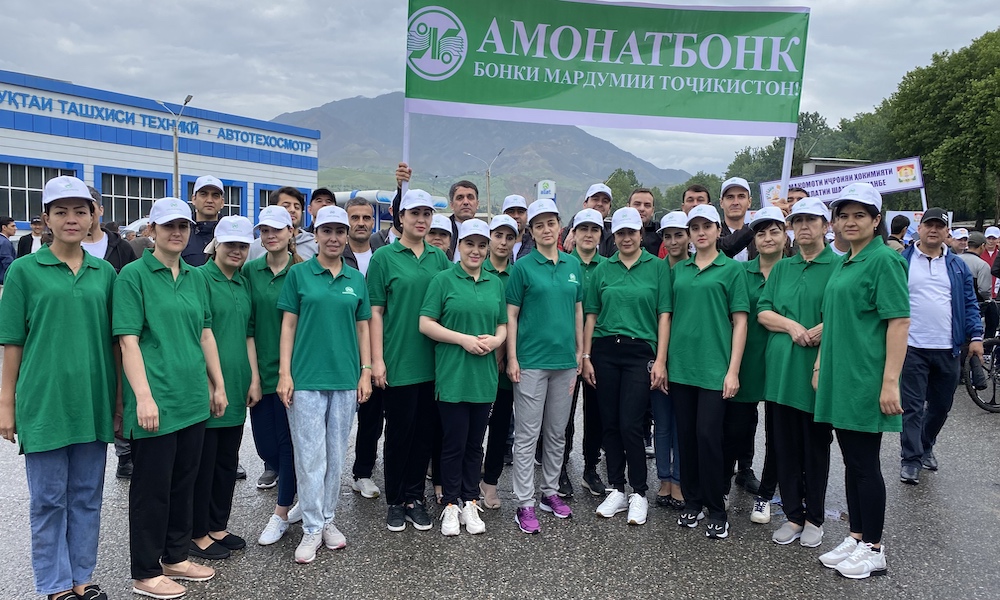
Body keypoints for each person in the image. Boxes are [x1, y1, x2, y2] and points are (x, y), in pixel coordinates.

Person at [0, 176, 116, 600]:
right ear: (46, 218)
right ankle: (55, 584)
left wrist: (120, 401)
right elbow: (12, 342)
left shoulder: (105, 273)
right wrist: (6, 405)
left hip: (93, 399)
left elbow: (117, 342)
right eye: (61, 211)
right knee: (48, 500)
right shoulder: (24, 270)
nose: (72, 219)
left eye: (80, 211)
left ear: (93, 216)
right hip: (44, 401)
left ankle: (82, 577)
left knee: (86, 496)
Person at [114, 196, 228, 598]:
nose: (177, 233)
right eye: (168, 226)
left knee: (184, 483)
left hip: (192, 398)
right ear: (152, 231)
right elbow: (128, 341)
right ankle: (146, 572)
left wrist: (218, 384)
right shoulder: (133, 276)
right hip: (156, 401)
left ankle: (175, 557)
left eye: (183, 226)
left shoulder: (196, 277)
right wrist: (143, 398)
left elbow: (206, 334)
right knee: (152, 491)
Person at [813, 182, 909, 579]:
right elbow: (834, 322)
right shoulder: (845, 261)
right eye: (843, 215)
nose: (850, 222)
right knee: (852, 462)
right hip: (841, 376)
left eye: (859, 215)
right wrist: (820, 365)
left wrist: (890, 382)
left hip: (866, 377)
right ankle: (856, 536)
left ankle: (874, 548)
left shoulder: (884, 260)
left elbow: (898, 322)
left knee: (865, 464)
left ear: (876, 220)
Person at [276, 205, 372, 563]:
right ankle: (312, 527)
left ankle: (328, 519)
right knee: (309, 456)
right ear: (315, 235)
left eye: (339, 231)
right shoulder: (299, 274)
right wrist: (284, 373)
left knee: (334, 454)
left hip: (345, 379)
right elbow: (288, 326)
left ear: (346, 236)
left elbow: (363, 328)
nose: (333, 238)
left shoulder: (355, 278)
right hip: (306, 379)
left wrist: (365, 371)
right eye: (326, 231)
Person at [368, 188, 451, 532]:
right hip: (398, 360)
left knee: (425, 434)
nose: (421, 220)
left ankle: (415, 497)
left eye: (426, 214)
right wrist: (376, 360)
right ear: (400, 217)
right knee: (399, 433)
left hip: (433, 362)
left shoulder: (439, 258)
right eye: (414, 213)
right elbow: (375, 312)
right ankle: (395, 500)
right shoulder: (384, 258)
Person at [582, 206, 671, 527]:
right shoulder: (603, 269)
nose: (626, 238)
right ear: (614, 236)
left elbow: (664, 315)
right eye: (620, 233)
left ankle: (639, 492)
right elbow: (591, 315)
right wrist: (586, 356)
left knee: (631, 424)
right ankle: (616, 489)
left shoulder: (657, 267)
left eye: (631, 232)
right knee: (609, 423)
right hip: (605, 350)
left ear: (641, 234)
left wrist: (660, 360)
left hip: (640, 352)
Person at [756, 199, 836, 545]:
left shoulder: (838, 265)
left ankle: (814, 517)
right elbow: (763, 311)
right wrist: (791, 326)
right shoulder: (783, 268)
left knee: (814, 447)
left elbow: (845, 311)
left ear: (825, 226)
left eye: (811, 220)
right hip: (780, 372)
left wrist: (824, 327)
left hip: (815, 371)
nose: (804, 227)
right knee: (783, 445)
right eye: (798, 221)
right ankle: (792, 515)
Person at [419, 219, 507, 535]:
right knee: (453, 443)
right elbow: (426, 323)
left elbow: (502, 324)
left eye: (482, 245)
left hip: (483, 377)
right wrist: (463, 340)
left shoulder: (495, 283)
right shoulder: (443, 280)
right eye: (470, 244)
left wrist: (496, 341)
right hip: (453, 374)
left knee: (474, 444)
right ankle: (450, 503)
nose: (476, 251)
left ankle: (470, 499)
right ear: (459, 246)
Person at [669, 204, 749, 540]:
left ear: (718, 230)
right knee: (686, 437)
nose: (701, 233)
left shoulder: (732, 270)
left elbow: (741, 322)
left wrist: (733, 371)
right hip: (681, 367)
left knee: (708, 437)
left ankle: (716, 508)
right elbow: (668, 317)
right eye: (695, 227)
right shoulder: (679, 270)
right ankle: (693, 501)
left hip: (715, 368)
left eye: (707, 226)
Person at [506, 198, 583, 534]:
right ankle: (524, 502)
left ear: (560, 227)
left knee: (556, 433)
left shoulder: (572, 265)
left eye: (551, 223)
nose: (546, 229)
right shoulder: (523, 268)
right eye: (539, 225)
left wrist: (581, 351)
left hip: (564, 363)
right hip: (531, 363)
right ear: (531, 232)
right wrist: (512, 357)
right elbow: (511, 315)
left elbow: (578, 309)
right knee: (527, 435)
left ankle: (549, 492)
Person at [189, 216, 257, 562]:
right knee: (203, 463)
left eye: (243, 246)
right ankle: (196, 532)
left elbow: (248, 334)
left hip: (237, 383)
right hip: (209, 387)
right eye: (230, 244)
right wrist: (213, 383)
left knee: (226, 462)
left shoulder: (243, 282)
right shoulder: (199, 279)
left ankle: (217, 525)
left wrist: (253, 379)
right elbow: (199, 334)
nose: (237, 251)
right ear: (216, 245)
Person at [898, 209, 982, 485]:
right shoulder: (903, 261)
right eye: (929, 225)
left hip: (948, 348)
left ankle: (926, 445)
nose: (933, 230)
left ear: (947, 232)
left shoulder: (957, 265)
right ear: (919, 229)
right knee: (911, 407)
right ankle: (910, 459)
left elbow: (970, 303)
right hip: (911, 346)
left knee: (941, 406)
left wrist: (976, 336)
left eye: (939, 226)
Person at [245, 205, 303, 546]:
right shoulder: (250, 270)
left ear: (291, 232)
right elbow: (248, 328)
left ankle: (281, 512)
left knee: (287, 444)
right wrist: (253, 377)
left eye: (277, 229)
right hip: (261, 370)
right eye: (264, 230)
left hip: (296, 374)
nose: (270, 236)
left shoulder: (303, 270)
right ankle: (297, 493)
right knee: (267, 446)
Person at [723, 206, 784, 520]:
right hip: (746, 360)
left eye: (774, 231)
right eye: (761, 233)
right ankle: (723, 485)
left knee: (778, 433)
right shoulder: (740, 272)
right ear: (753, 240)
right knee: (736, 428)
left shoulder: (793, 271)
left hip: (782, 363)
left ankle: (766, 495)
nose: (768, 238)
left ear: (785, 236)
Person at [561, 208, 609, 497]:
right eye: (583, 229)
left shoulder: (609, 266)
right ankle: (561, 468)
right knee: (563, 414)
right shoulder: (563, 263)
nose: (589, 234)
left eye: (594, 229)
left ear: (601, 235)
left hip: (598, 348)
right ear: (574, 233)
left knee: (595, 412)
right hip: (565, 346)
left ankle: (590, 468)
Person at [341, 197, 383, 500]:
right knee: (338, 419)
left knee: (372, 415)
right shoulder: (335, 254)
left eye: (366, 217)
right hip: (343, 347)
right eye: (354, 217)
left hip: (377, 345)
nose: (361, 223)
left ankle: (363, 472)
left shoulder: (383, 257)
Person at [480, 214, 520, 509]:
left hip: (504, 365)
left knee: (500, 425)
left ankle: (490, 482)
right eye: (498, 236)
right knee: (471, 427)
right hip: (474, 359)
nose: (503, 243)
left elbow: (516, 319)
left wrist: (505, 353)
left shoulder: (518, 274)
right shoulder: (474, 267)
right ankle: (465, 480)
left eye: (509, 237)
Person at [652, 211, 690, 510]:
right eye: (668, 236)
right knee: (662, 422)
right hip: (657, 355)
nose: (673, 241)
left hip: (687, 356)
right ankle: (664, 479)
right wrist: (658, 360)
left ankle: (679, 480)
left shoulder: (694, 268)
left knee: (682, 424)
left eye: (679, 234)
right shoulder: (656, 269)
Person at [248, 187, 318, 263]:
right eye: (286, 206)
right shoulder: (255, 247)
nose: (292, 210)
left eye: (297, 207)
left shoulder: (315, 244)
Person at [559, 183, 616, 257]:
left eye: (605, 201)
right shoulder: (565, 234)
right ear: (585, 204)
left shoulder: (614, 236)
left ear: (609, 210)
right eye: (595, 199)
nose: (600, 204)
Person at [182, 175, 225, 267]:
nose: (209, 200)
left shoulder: (230, 232)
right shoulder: (181, 231)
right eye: (203, 194)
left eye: (215, 196)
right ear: (194, 199)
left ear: (222, 202)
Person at [446, 180, 480, 256]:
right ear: (451, 205)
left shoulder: (486, 232)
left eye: (470, 197)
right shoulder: (442, 232)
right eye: (460, 198)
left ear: (477, 204)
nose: (465, 202)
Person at [628, 188, 661, 255]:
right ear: (628, 207)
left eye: (647, 205)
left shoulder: (661, 233)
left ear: (652, 211)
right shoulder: (615, 232)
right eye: (637, 204)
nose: (642, 209)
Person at [961, 232, 993, 301]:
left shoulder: (955, 260)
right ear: (982, 246)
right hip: (974, 303)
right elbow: (984, 290)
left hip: (953, 302)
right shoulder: (982, 265)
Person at [502, 195, 532, 262]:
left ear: (527, 215)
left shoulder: (536, 243)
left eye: (520, 212)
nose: (516, 216)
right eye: (511, 212)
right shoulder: (494, 245)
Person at [0, 216, 17, 290]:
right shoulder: (4, 242)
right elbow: (7, 263)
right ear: (4, 227)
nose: (15, 228)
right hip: (3, 281)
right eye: (12, 226)